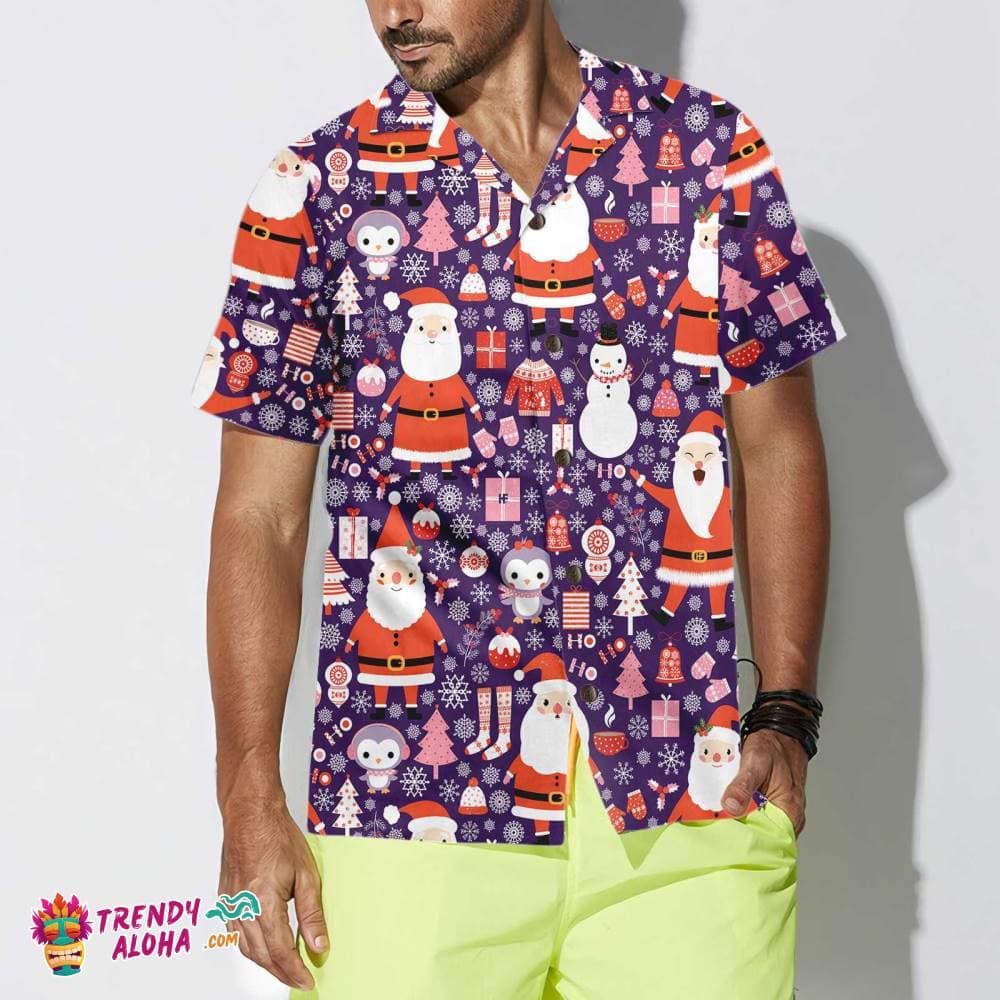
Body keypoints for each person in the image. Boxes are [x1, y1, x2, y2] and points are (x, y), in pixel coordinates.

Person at [191, 2, 844, 996]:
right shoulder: (315, 190)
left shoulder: (709, 151)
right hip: (407, 814)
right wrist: (246, 800)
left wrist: (788, 710)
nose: (396, 12)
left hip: (690, 802)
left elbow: (779, 442)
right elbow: (259, 516)